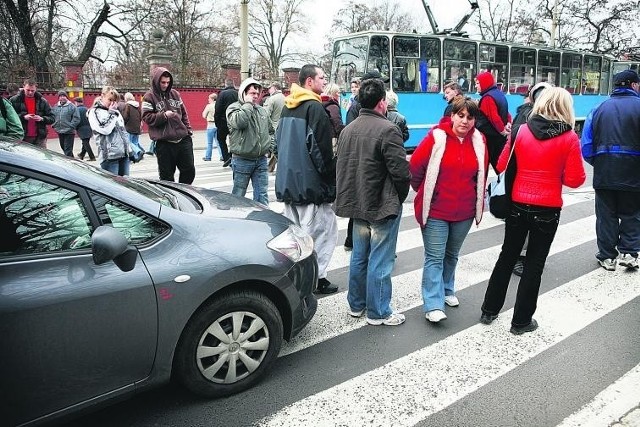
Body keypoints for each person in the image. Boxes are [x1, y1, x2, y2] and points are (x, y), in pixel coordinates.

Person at [481, 87, 586, 334]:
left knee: (506, 257)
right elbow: (575, 179)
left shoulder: (520, 131)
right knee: (534, 265)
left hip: (516, 204)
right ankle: (521, 322)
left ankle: (489, 310)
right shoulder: (569, 137)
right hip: (547, 209)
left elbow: (501, 164)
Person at [335, 78, 410, 326]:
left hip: (357, 202)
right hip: (382, 203)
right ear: (382, 103)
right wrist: (398, 198)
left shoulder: (348, 129)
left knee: (359, 256)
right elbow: (400, 173)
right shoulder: (388, 129)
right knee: (380, 259)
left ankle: (356, 304)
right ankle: (378, 311)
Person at [410, 97, 489, 323]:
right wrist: (426, 191)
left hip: (464, 211)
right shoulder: (437, 138)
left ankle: (446, 289)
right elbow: (415, 167)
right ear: (452, 115)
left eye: (470, 117)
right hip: (437, 210)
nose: (464, 121)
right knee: (435, 257)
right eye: (460, 115)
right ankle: (433, 303)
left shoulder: (479, 141)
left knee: (451, 254)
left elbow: (480, 175)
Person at [275, 64, 338, 295]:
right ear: (309, 82)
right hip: (310, 187)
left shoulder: (287, 107)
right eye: (321, 77)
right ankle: (316, 278)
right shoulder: (315, 108)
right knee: (320, 234)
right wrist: (331, 178)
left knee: (297, 237)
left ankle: (296, 275)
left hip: (289, 184)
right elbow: (321, 153)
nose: (324, 81)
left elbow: (278, 145)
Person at [581, 69, 640, 271]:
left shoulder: (598, 108)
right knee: (632, 212)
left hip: (605, 171)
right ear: (633, 85)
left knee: (606, 215)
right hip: (634, 172)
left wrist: (598, 163)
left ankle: (607, 256)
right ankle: (630, 253)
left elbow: (586, 145)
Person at [509, 82, 553, 276]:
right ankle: (519, 259)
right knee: (525, 225)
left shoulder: (528, 115)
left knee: (522, 225)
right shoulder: (533, 118)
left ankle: (518, 257)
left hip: (522, 181)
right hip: (525, 181)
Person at [343, 70, 390, 251]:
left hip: (362, 167)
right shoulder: (360, 107)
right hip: (366, 168)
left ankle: (353, 243)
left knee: (359, 216)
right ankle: (351, 241)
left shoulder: (358, 105)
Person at [142, 67, 195, 184]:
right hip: (164, 143)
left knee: (189, 171)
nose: (166, 85)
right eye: (163, 82)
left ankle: (184, 193)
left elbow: (184, 113)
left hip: (183, 139)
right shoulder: (149, 97)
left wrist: (188, 129)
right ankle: (172, 197)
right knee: (167, 176)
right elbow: (147, 117)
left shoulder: (175, 94)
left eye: (168, 82)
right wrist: (164, 115)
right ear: (156, 81)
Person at [226, 78, 273, 206]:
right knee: (238, 195)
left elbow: (270, 131)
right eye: (252, 93)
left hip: (261, 159)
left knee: (262, 195)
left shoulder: (261, 110)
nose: (256, 96)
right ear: (243, 93)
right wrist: (247, 105)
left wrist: (269, 147)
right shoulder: (234, 108)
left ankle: (262, 220)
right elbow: (239, 122)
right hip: (242, 160)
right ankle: (235, 220)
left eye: (257, 94)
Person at [88, 86, 131, 176]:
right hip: (109, 156)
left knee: (126, 185)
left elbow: (123, 131)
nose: (112, 103)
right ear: (102, 96)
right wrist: (111, 113)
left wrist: (129, 149)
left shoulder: (116, 112)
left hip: (123, 154)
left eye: (115, 101)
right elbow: (105, 130)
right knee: (113, 187)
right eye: (110, 100)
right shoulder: (95, 112)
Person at [475, 71, 512, 173]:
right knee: (500, 165)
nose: (476, 86)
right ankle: (505, 185)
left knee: (485, 166)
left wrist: (502, 131)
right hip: (499, 138)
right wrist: (508, 124)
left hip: (490, 137)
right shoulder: (499, 94)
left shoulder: (487, 98)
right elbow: (506, 113)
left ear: (484, 83)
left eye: (478, 83)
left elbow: (494, 118)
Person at [10, 79, 54, 148]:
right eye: (28, 90)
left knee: (41, 158)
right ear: (23, 87)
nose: (30, 92)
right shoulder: (14, 100)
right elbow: (9, 118)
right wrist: (23, 117)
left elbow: (52, 117)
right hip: (21, 137)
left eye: (32, 91)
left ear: (36, 89)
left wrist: (42, 118)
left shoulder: (42, 101)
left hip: (40, 138)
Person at [214, 78, 238, 167]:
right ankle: (232, 156)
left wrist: (217, 122)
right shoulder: (238, 94)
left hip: (223, 122)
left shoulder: (222, 94)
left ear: (225, 84)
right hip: (235, 120)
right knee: (234, 139)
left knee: (221, 139)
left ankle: (226, 157)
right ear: (233, 84)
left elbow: (218, 109)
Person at [263, 82, 285, 172]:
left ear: (275, 88)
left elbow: (266, 114)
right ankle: (271, 166)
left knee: (274, 148)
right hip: (283, 126)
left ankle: (270, 167)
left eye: (270, 88)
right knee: (279, 147)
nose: (268, 90)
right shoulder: (285, 98)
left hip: (273, 127)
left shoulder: (271, 99)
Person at [52, 90, 81, 158]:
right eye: (61, 96)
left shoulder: (72, 106)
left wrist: (71, 126)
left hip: (69, 132)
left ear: (66, 97)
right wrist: (54, 125)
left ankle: (70, 163)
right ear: (58, 98)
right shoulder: (55, 106)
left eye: (64, 96)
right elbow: (52, 116)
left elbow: (76, 118)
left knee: (67, 150)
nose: (62, 97)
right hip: (59, 130)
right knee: (64, 148)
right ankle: (73, 161)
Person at [123, 92, 145, 160]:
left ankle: (138, 152)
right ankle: (137, 156)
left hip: (129, 127)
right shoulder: (137, 105)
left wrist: (123, 123)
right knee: (135, 142)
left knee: (129, 142)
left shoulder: (127, 105)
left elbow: (126, 116)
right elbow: (141, 116)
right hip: (137, 127)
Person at [201, 93, 219, 161]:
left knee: (209, 143)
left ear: (212, 99)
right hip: (217, 125)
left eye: (209, 98)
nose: (208, 100)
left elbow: (204, 115)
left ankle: (208, 157)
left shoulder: (209, 106)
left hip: (210, 125)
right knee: (218, 142)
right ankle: (222, 156)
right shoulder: (218, 105)